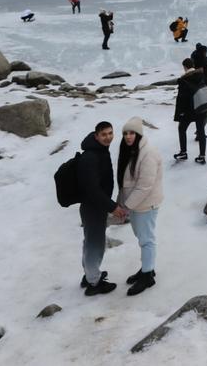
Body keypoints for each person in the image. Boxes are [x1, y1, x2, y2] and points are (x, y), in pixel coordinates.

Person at [77, 121, 126, 295]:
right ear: (96, 135)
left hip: (95, 206)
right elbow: (92, 189)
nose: (108, 137)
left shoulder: (99, 151)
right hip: (93, 207)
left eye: (110, 133)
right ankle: (94, 283)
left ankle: (90, 274)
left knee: (90, 242)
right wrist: (112, 207)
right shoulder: (91, 157)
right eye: (104, 134)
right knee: (95, 244)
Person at [117, 116, 163, 296]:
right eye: (125, 133)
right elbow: (126, 182)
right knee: (141, 237)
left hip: (146, 204)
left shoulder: (148, 153)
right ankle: (147, 268)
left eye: (131, 133)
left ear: (139, 134)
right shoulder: (131, 151)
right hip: (136, 205)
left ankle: (147, 276)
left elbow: (145, 186)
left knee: (146, 239)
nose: (128, 137)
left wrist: (126, 206)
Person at [173, 58, 207, 164]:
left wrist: (179, 113)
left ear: (185, 67)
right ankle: (202, 156)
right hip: (201, 106)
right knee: (201, 131)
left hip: (189, 110)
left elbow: (181, 99)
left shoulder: (184, 80)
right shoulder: (202, 75)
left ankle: (183, 152)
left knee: (181, 128)